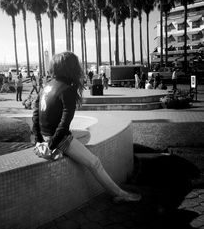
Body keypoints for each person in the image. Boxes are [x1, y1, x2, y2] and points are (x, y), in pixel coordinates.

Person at [32, 51, 141, 203]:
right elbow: (64, 125)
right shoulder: (67, 89)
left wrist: (39, 141)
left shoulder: (46, 87)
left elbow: (36, 116)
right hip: (59, 140)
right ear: (70, 68)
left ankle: (62, 149)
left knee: (86, 135)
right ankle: (120, 194)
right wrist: (50, 146)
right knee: (94, 163)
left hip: (47, 136)